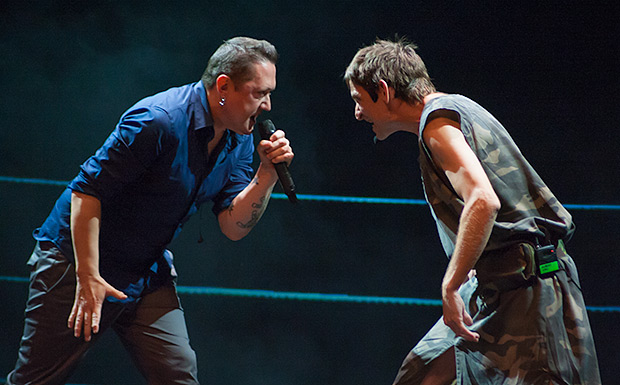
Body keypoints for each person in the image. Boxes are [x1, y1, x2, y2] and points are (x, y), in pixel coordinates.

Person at [6, 36, 293, 385]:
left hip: (143, 269)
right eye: (258, 93)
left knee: (177, 373)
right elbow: (86, 191)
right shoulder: (159, 120)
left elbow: (232, 225)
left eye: (269, 93)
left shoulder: (238, 136)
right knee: (36, 380)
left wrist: (265, 175)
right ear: (223, 87)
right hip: (78, 261)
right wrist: (88, 277)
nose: (267, 105)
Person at [345, 38, 601, 385]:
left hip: (529, 289)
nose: (357, 113)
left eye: (359, 100)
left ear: (384, 91)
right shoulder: (454, 109)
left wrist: (449, 285)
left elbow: (483, 199)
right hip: (495, 286)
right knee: (422, 376)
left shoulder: (437, 123)